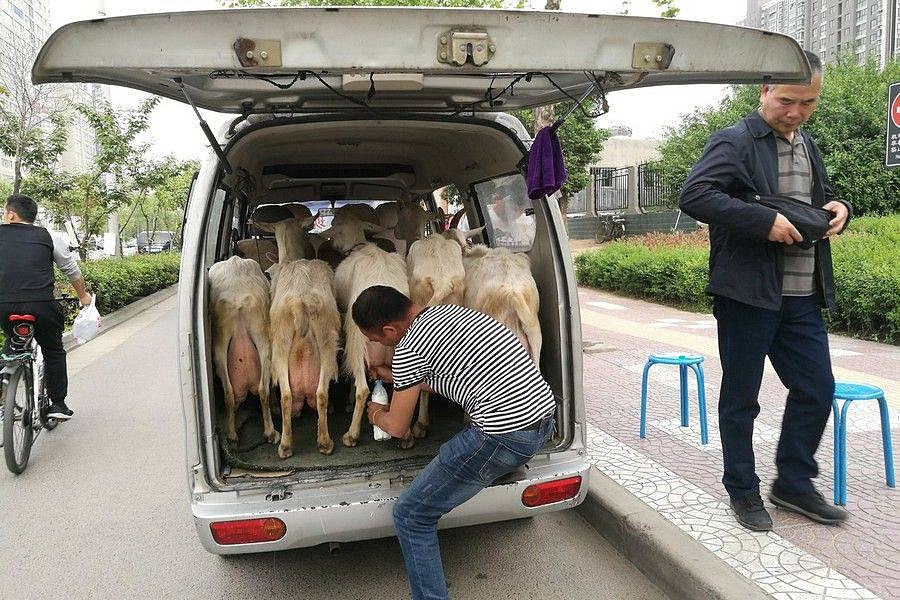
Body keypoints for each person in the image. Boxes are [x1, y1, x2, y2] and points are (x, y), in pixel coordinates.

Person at [679, 51, 851, 531]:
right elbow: (695, 194)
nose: (796, 112)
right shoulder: (733, 141)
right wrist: (764, 222)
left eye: (808, 102)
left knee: (817, 390)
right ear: (763, 92)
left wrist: (837, 207)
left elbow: (811, 201)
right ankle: (743, 489)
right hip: (748, 297)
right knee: (742, 398)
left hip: (802, 297)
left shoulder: (807, 143)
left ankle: (793, 484)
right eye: (786, 101)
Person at [351, 285, 556, 600]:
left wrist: (376, 413)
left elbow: (397, 427)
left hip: (501, 437)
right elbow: (447, 375)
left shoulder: (407, 348)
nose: (380, 344)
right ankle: (500, 468)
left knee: (411, 515)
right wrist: (390, 375)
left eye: (378, 339)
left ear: (391, 329)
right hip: (542, 422)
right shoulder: (455, 314)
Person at [0, 194, 92, 420]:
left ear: (12, 215)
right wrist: (83, 297)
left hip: (3, 305)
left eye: (4, 212)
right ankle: (58, 404)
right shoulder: (49, 236)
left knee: (11, 344)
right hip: (41, 305)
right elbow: (70, 269)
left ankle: (4, 392)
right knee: (53, 350)